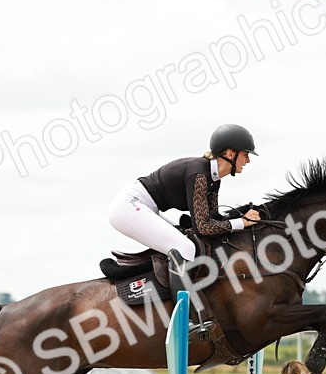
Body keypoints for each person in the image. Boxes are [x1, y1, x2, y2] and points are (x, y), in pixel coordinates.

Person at [107, 124, 263, 338]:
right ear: (230, 153)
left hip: (146, 207)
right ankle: (186, 320)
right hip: (128, 207)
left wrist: (242, 214)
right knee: (184, 246)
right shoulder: (199, 173)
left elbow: (213, 218)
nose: (248, 160)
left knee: (185, 242)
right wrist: (240, 223)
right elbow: (204, 226)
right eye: (246, 154)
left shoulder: (213, 179)